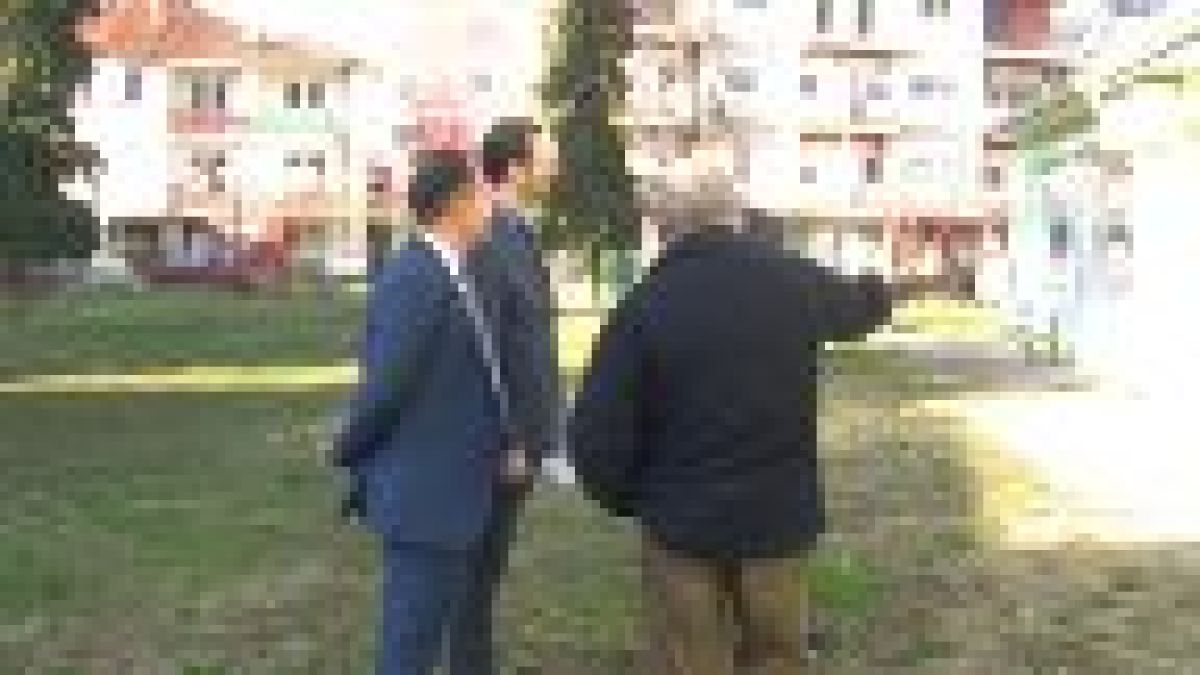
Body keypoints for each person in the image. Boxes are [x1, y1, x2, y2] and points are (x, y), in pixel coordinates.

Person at [568, 182, 917, 675]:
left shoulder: (646, 304)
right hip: (775, 517)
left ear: (667, 231)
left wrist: (630, 499)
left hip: (682, 523)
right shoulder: (789, 279)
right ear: (734, 220)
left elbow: (597, 428)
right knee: (777, 656)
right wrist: (884, 286)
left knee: (690, 659)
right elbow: (861, 307)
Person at [333, 150, 515, 675]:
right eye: (480, 194)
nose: (489, 205)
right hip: (425, 499)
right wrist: (349, 448)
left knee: (425, 637)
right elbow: (387, 386)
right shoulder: (416, 276)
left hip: (449, 493)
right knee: (409, 648)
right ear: (456, 203)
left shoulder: (448, 270)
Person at [439, 118, 560, 675]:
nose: (554, 166)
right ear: (515, 168)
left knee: (484, 571)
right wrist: (510, 437)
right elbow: (485, 343)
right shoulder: (492, 236)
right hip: (496, 445)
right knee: (474, 572)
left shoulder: (513, 230)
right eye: (545, 156)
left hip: (515, 439)